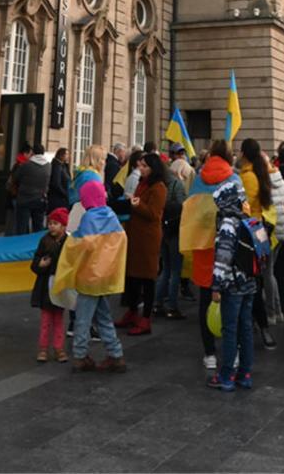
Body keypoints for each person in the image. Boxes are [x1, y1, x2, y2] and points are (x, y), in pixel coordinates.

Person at [54, 179, 127, 372]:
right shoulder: (111, 215)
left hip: (89, 276)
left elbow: (81, 244)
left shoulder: (89, 218)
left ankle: (80, 356)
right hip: (105, 276)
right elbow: (121, 240)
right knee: (104, 316)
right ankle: (116, 354)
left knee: (83, 318)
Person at [179, 139, 237, 371]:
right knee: (231, 302)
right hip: (228, 249)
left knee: (205, 301)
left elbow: (190, 211)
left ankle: (210, 353)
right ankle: (232, 352)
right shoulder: (233, 178)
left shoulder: (199, 179)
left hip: (204, 247)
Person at [208, 172, 256, 391]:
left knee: (230, 329)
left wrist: (216, 285)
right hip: (250, 282)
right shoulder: (249, 219)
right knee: (246, 328)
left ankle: (226, 375)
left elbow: (223, 258)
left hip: (232, 284)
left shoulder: (228, 223)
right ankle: (245, 373)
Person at [118, 152, 166, 334]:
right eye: (141, 165)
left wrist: (137, 204)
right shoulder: (142, 183)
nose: (141, 169)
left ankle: (146, 317)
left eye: (145, 166)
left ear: (153, 168)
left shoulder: (159, 187)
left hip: (148, 238)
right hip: (135, 235)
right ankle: (132, 311)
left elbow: (154, 214)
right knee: (133, 277)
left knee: (147, 278)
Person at [237, 137, 276, 349]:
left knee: (251, 282)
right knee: (257, 280)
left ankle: (260, 326)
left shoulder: (248, 177)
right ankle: (261, 326)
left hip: (249, 233)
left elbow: (245, 207)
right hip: (259, 232)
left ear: (244, 153)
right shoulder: (260, 173)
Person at [30, 207, 69, 362]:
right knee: (46, 320)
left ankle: (59, 348)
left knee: (58, 319)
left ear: (63, 226)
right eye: (50, 223)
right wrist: (40, 264)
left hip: (60, 286)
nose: (51, 226)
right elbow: (35, 263)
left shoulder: (68, 242)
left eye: (55, 223)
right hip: (46, 286)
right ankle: (43, 348)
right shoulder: (45, 241)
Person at [156, 158, 186, 318]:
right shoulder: (177, 184)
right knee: (175, 270)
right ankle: (172, 306)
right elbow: (183, 206)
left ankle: (157, 303)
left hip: (163, 228)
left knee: (165, 269)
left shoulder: (159, 183)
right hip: (175, 230)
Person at [265, 151, 284, 324]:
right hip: (281, 230)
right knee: (271, 271)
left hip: (270, 232)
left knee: (267, 273)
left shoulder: (264, 182)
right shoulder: (281, 180)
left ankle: (272, 313)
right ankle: (278, 311)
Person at [10, 143, 50, 234]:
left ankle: (22, 243)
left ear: (33, 152)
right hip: (40, 199)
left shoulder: (26, 165)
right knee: (38, 227)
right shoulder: (48, 166)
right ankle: (36, 242)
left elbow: (16, 178)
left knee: (22, 227)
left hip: (24, 199)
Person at [46, 147, 70, 213]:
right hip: (57, 199)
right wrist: (65, 193)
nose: (68, 156)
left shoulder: (62, 165)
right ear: (61, 155)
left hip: (60, 198)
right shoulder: (57, 166)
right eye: (66, 154)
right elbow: (56, 183)